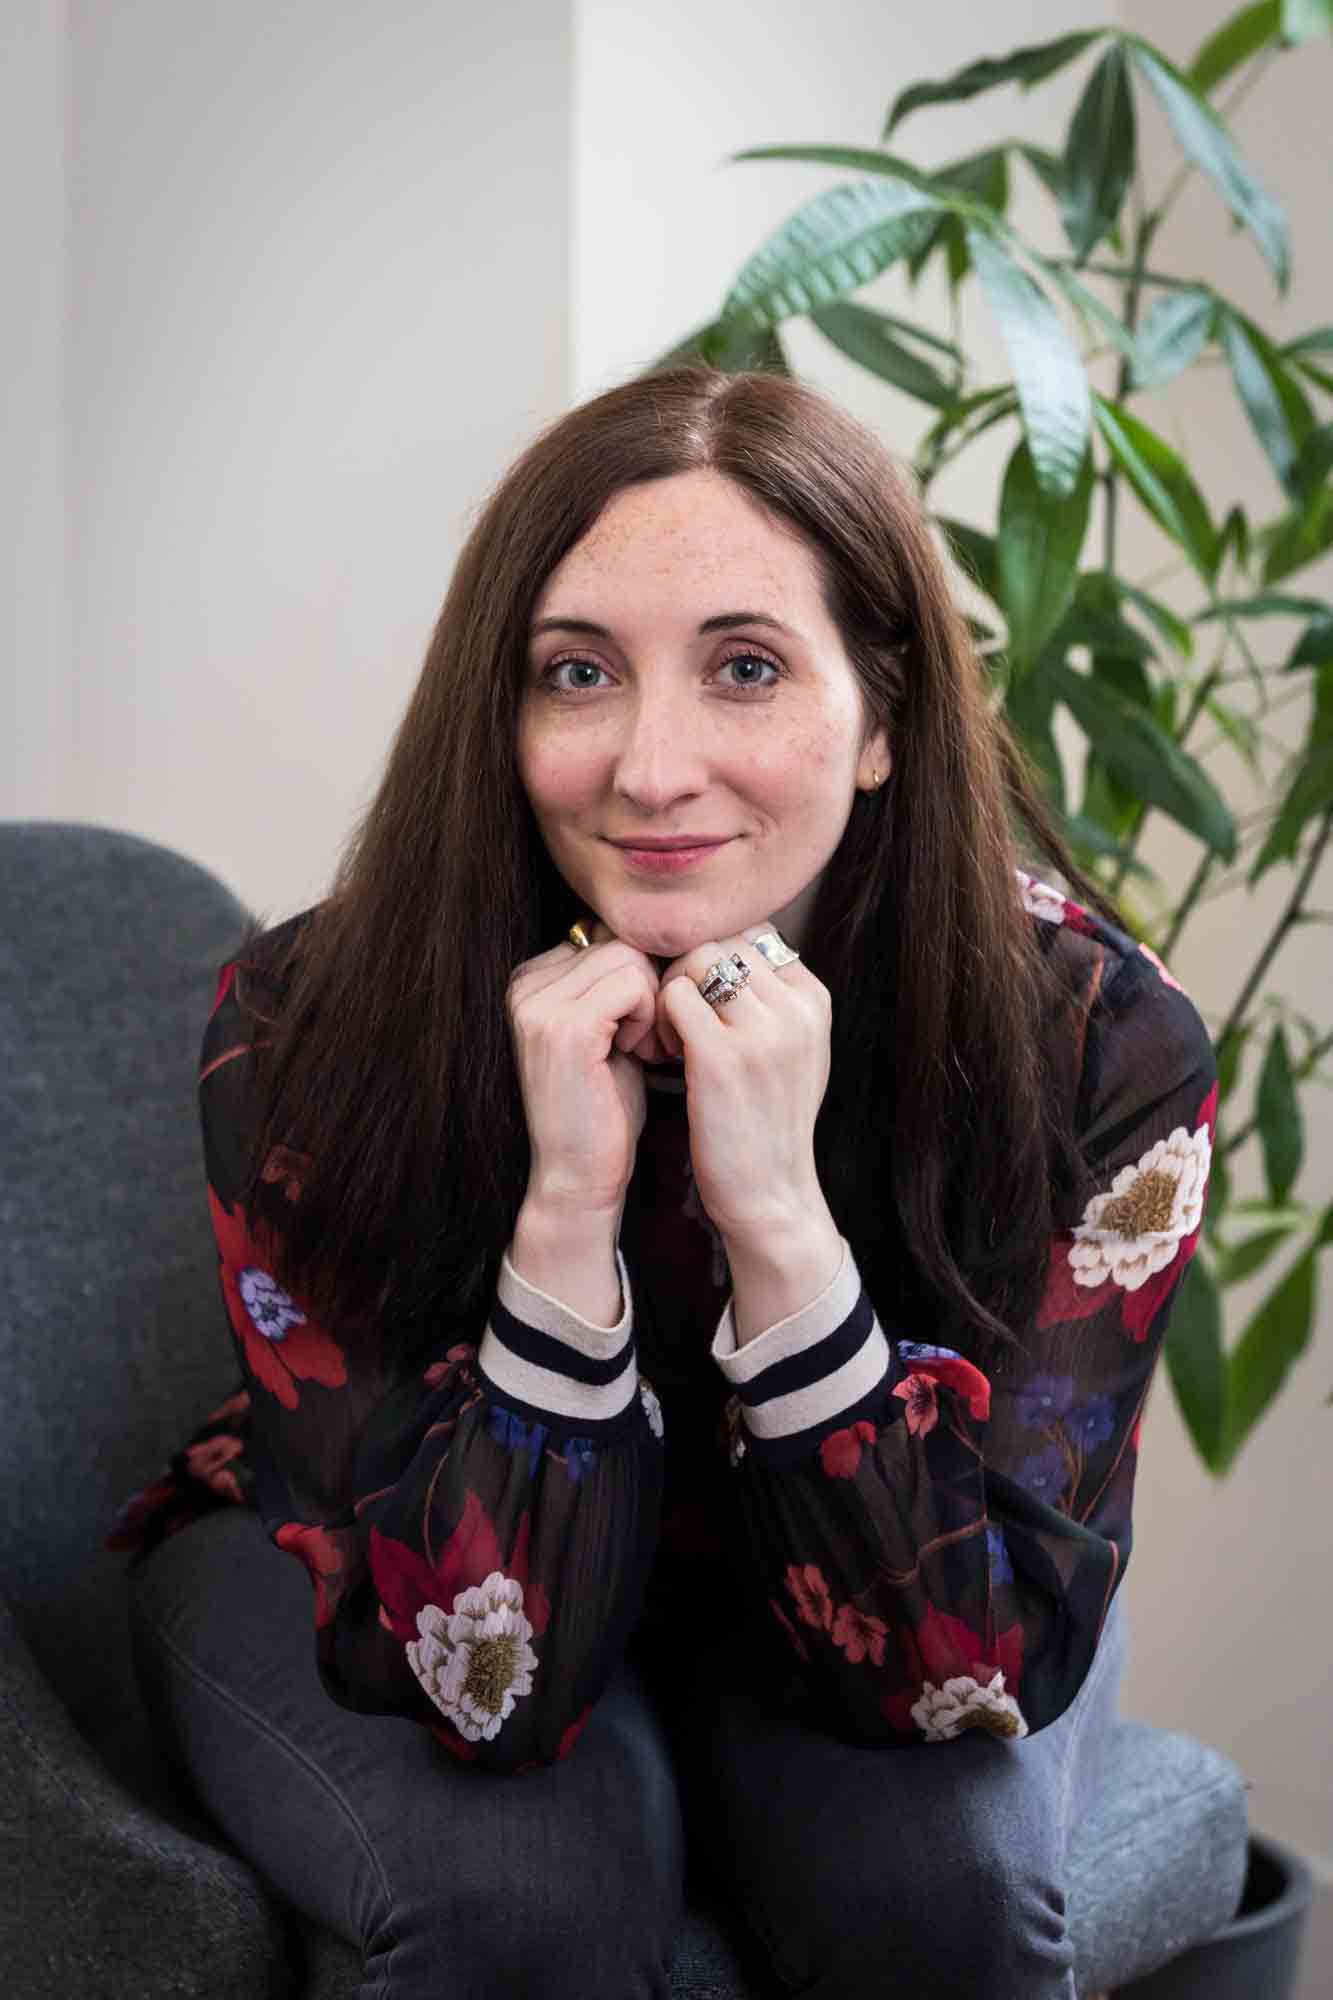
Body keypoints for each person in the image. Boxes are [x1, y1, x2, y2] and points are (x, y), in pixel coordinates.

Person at [108, 365, 1216, 2000]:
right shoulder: (307, 1022)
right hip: (383, 1558)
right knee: (524, 1902)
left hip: (896, 1562)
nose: (648, 766)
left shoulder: (1098, 1041)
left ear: (884, 719)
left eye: (746, 669)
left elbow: (961, 1663)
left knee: (945, 1895)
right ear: (502, 714)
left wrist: (779, 1230)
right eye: (576, 674)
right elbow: (491, 1685)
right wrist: (566, 1216)